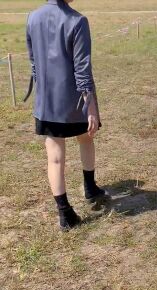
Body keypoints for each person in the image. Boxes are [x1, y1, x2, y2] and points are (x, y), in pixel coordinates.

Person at [26, 0, 107, 230]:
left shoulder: (32, 17)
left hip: (46, 101)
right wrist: (90, 106)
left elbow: (33, 63)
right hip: (74, 100)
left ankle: (65, 213)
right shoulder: (77, 20)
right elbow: (82, 68)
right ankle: (89, 188)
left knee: (55, 157)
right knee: (86, 138)